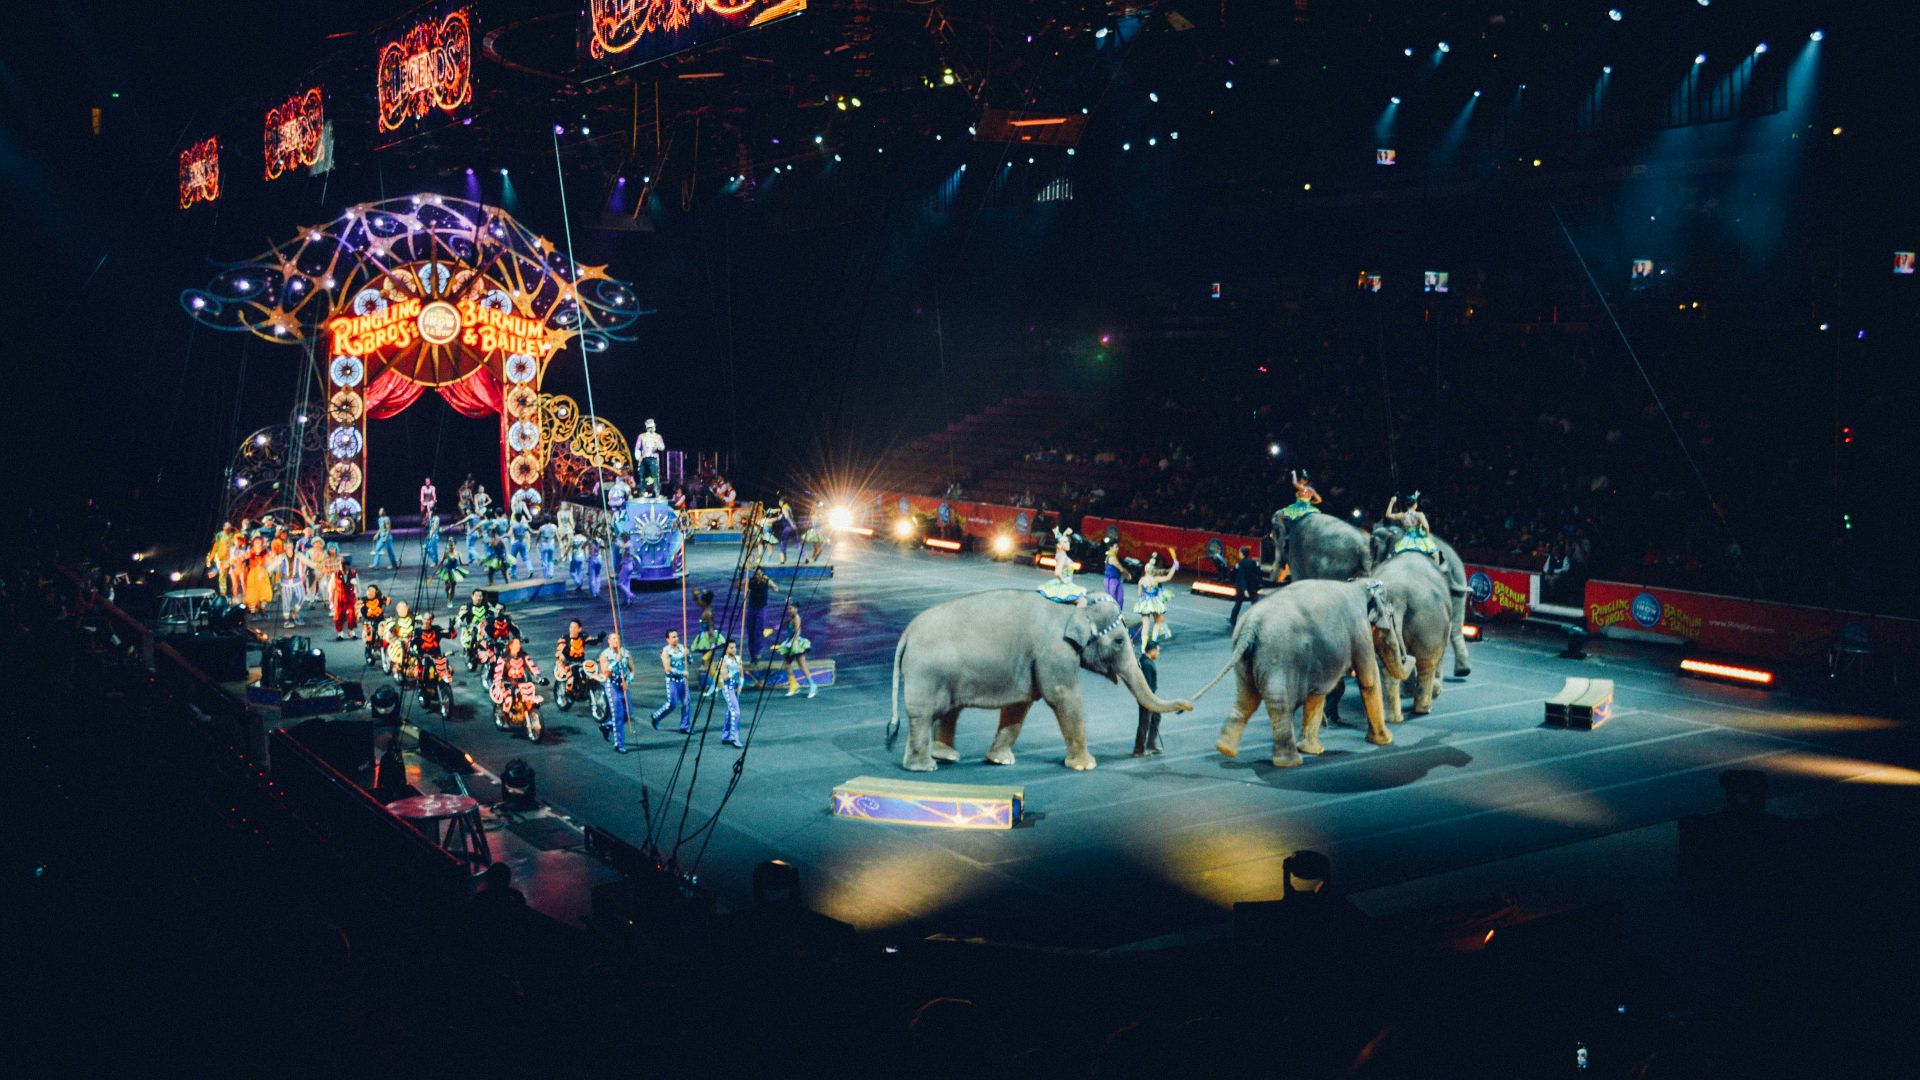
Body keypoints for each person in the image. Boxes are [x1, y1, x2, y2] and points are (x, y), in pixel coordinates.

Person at [595, 631, 636, 752]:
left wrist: (628, 681)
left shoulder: (626, 653)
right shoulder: (605, 655)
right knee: (618, 715)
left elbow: (632, 670)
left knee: (627, 714)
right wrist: (616, 661)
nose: (616, 641)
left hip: (623, 686)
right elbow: (606, 672)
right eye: (613, 639)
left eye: (617, 639)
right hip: (612, 687)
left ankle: (607, 726)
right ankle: (618, 744)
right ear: (609, 641)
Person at [1133, 548, 1180, 644]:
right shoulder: (1155, 579)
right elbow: (1168, 577)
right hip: (1154, 601)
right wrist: (1174, 567)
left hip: (1145, 602)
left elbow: (1139, 594)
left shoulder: (1141, 580)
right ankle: (1154, 640)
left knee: (1146, 624)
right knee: (1157, 621)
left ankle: (1144, 645)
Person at [649, 629, 692, 733]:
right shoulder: (665, 651)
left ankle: (684, 726)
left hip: (683, 681)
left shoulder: (682, 648)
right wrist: (682, 673)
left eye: (677, 636)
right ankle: (656, 716)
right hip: (672, 681)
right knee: (672, 704)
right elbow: (667, 668)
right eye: (673, 637)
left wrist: (688, 654)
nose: (676, 639)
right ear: (667, 639)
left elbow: (690, 662)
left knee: (687, 703)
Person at [771, 606, 818, 698]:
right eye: (788, 609)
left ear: (796, 608)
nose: (789, 610)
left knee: (802, 665)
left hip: (796, 644)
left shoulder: (796, 618)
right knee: (787, 664)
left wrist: (790, 645)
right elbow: (784, 624)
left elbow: (798, 632)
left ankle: (813, 685)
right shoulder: (791, 617)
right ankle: (793, 685)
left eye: (791, 608)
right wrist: (774, 628)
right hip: (790, 642)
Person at [1037, 528, 1088, 604]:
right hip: (1064, 584)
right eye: (1065, 542)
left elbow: (1059, 540)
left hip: (1066, 582)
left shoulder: (1060, 553)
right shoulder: (1062, 557)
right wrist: (1064, 581)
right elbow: (1057, 573)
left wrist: (1065, 534)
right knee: (1083, 602)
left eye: (1068, 542)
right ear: (1059, 546)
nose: (1068, 543)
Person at [1132, 640, 1164, 757]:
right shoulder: (1146, 664)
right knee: (1144, 722)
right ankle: (1138, 750)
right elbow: (1146, 685)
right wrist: (1151, 699)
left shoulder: (1145, 661)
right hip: (1147, 698)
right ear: (1153, 650)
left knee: (1156, 716)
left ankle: (1151, 743)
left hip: (1150, 697)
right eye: (1158, 651)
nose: (1159, 654)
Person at [1384, 492, 1439, 559]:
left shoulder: (1402, 515)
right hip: (1419, 538)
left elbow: (1388, 515)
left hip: (1406, 540)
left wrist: (1392, 502)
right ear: (1416, 505)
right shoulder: (1419, 514)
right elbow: (1426, 526)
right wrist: (1427, 536)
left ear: (1406, 505)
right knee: (1435, 553)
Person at [745, 567, 778, 662]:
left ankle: (757, 652)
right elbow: (742, 587)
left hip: (760, 609)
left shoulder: (766, 581)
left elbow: (775, 588)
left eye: (760, 574)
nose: (758, 576)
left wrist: (772, 586)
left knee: (758, 631)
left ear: (763, 574)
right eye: (756, 574)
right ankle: (752, 653)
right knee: (750, 630)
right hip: (751, 609)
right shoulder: (751, 581)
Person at [1228, 546, 1264, 627]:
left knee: (1238, 603)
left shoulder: (1241, 564)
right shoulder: (1253, 562)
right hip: (1252, 586)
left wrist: (1244, 590)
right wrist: (1260, 586)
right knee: (1254, 603)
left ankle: (1233, 619)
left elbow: (1242, 577)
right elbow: (1258, 574)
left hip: (1243, 588)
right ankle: (1258, 618)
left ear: (1241, 554)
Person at [718, 640, 745, 746]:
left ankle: (725, 736)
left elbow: (742, 675)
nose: (734, 649)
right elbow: (725, 677)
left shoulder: (738, 659)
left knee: (730, 712)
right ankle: (734, 737)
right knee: (736, 712)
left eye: (735, 647)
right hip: (728, 689)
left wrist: (740, 686)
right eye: (731, 647)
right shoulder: (723, 661)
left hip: (735, 688)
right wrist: (735, 670)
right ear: (726, 649)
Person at [383, 600, 417, 676]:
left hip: (411, 639)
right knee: (396, 648)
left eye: (404, 608)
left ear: (407, 608)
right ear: (397, 609)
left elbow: (423, 620)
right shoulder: (393, 620)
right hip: (398, 641)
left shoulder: (413, 617)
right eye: (400, 609)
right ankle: (396, 665)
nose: (402, 611)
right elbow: (387, 632)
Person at [634, 419, 665, 498]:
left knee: (655, 476)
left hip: (653, 458)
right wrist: (638, 456)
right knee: (643, 476)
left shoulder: (658, 437)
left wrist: (658, 444)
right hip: (644, 458)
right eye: (652, 427)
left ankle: (657, 493)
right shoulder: (642, 436)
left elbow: (662, 447)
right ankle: (642, 493)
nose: (654, 428)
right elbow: (637, 447)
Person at [330, 554, 358, 639]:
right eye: (342, 564)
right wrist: (331, 601)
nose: (344, 566)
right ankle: (340, 633)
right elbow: (331, 588)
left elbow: (357, 586)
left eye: (346, 564)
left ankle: (351, 631)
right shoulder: (335, 574)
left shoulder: (353, 573)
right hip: (339, 598)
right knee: (339, 615)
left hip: (350, 597)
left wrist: (357, 595)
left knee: (351, 614)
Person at [359, 584, 388, 662]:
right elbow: (358, 609)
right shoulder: (363, 600)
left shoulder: (379, 599)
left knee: (385, 633)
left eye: (373, 591)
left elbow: (388, 602)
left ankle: (385, 650)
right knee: (368, 633)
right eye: (369, 591)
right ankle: (368, 651)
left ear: (376, 592)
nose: (370, 593)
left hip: (380, 621)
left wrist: (382, 596)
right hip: (368, 621)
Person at [1102, 538, 1127, 608]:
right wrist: (1128, 575)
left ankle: (1118, 615)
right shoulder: (1112, 557)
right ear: (1111, 548)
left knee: (1120, 599)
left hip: (1116, 579)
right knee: (1112, 600)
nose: (1118, 549)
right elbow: (1121, 568)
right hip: (1111, 580)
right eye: (1116, 547)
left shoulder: (1112, 556)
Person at [507, 514, 532, 580]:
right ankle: (530, 569)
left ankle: (513, 572)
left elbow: (509, 534)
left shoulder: (514, 526)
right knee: (525, 557)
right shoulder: (525, 526)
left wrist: (502, 536)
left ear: (515, 518)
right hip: (523, 542)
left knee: (513, 558)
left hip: (516, 543)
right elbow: (532, 531)